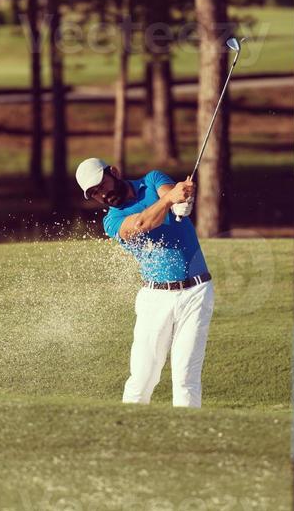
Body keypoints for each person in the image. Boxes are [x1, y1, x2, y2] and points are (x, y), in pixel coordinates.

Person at [76, 157, 214, 408]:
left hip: (197, 292)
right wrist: (170, 201)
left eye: (101, 185)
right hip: (155, 298)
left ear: (114, 172)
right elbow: (143, 223)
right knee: (143, 377)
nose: (102, 195)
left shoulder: (152, 180)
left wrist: (182, 199)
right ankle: (129, 435)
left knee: (186, 377)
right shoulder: (112, 221)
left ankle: (185, 439)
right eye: (94, 193)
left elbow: (170, 193)